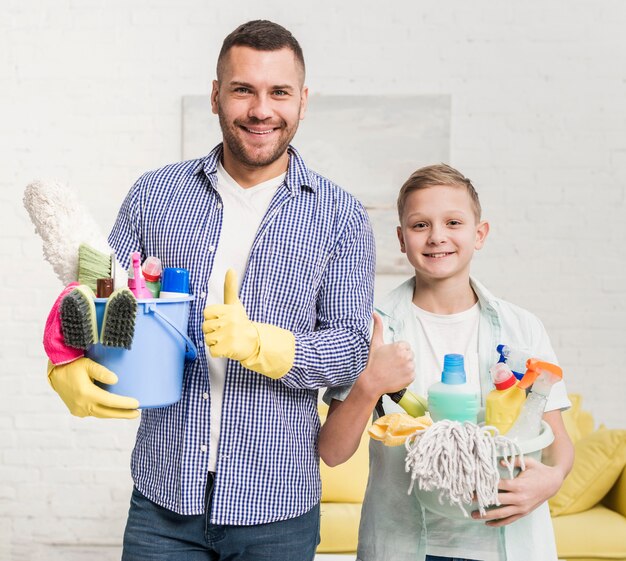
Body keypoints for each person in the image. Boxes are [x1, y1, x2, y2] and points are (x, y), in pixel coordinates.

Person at [45, 20, 375, 560]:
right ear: (216, 95)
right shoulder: (155, 196)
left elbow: (349, 349)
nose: (261, 109)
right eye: (243, 89)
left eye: (279, 92)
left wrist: (265, 346)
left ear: (303, 101)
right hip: (161, 502)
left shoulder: (339, 217)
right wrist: (62, 362)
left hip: (278, 510)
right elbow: (96, 294)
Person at [318, 163, 574, 561]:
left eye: (453, 222)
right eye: (420, 225)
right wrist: (369, 384)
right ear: (401, 239)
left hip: (506, 543)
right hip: (404, 544)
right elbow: (332, 452)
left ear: (479, 234)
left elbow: (558, 443)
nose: (437, 236)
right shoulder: (371, 329)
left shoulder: (521, 327)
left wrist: (553, 479)